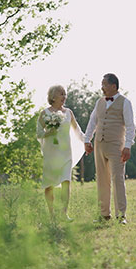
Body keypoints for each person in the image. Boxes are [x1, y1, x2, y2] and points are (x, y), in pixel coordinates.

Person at [84, 73, 135, 225]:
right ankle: (104, 214)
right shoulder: (99, 102)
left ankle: (121, 215)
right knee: (102, 180)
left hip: (116, 146)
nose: (102, 87)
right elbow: (93, 122)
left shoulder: (125, 103)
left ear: (114, 86)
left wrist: (127, 146)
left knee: (118, 179)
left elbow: (131, 126)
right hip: (100, 145)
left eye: (105, 84)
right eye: (102, 84)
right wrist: (87, 140)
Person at [36, 85, 85, 220]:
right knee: (49, 185)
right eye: (61, 94)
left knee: (66, 181)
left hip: (65, 153)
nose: (64, 96)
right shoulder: (44, 113)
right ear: (53, 96)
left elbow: (77, 131)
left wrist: (86, 141)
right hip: (51, 154)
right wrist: (48, 133)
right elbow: (39, 134)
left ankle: (64, 213)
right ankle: (52, 215)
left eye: (65, 94)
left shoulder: (68, 113)